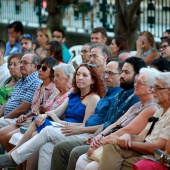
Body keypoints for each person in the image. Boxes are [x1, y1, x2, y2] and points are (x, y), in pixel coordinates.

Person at [0, 63, 106, 168]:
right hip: (63, 127)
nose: (80, 78)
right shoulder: (74, 94)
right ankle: (12, 156)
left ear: (92, 80)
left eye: (84, 75)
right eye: (78, 74)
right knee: (46, 145)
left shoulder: (93, 98)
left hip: (75, 130)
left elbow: (85, 125)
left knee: (47, 130)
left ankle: (13, 158)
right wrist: (45, 116)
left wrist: (60, 122)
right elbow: (57, 111)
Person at [50, 57, 146, 170]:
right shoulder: (118, 96)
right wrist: (97, 136)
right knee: (56, 146)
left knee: (73, 151)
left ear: (138, 76)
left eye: (125, 72)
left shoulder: (135, 100)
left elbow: (123, 129)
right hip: (97, 135)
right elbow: (109, 123)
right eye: (106, 72)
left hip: (113, 143)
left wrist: (100, 138)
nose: (106, 76)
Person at [75, 67, 160, 170]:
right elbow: (116, 124)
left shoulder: (152, 108)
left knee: (87, 164)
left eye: (139, 83)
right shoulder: (137, 105)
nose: (135, 85)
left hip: (121, 145)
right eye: (135, 82)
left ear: (151, 89)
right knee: (81, 160)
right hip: (112, 140)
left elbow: (128, 129)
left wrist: (103, 141)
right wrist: (99, 136)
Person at [0, 63, 75, 153]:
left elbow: (59, 114)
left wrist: (43, 113)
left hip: (48, 124)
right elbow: (40, 109)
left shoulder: (70, 94)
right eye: (54, 76)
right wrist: (26, 115)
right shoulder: (56, 93)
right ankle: (14, 161)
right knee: (8, 135)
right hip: (37, 120)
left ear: (67, 77)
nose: (55, 79)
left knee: (12, 136)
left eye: (58, 76)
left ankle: (13, 157)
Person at [0, 53, 42, 128]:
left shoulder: (36, 82)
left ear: (35, 66)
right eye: (21, 62)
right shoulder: (21, 80)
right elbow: (9, 100)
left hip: (19, 119)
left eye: (25, 63)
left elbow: (23, 108)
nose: (21, 65)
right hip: (7, 118)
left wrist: (4, 118)